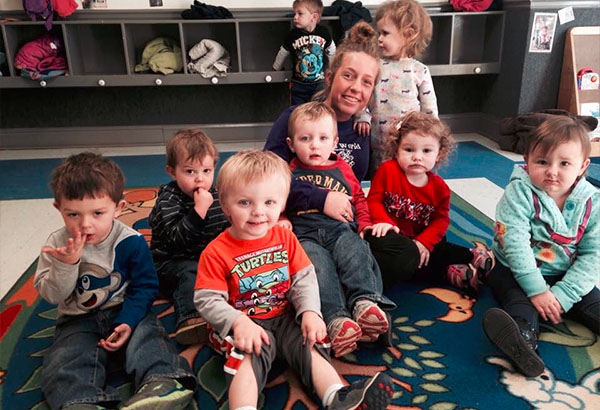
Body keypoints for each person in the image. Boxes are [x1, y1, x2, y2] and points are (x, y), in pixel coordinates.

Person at [193, 150, 395, 410]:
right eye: (245, 203)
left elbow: (304, 278)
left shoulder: (286, 238)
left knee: (310, 345)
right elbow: (207, 299)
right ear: (224, 205)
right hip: (246, 324)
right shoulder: (216, 251)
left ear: (282, 203)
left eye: (269, 203)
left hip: (286, 316)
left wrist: (310, 312)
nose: (258, 212)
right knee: (246, 359)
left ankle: (337, 396)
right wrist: (238, 322)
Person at [34, 153, 196, 410]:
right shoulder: (56, 245)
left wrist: (128, 321)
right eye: (73, 214)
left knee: (149, 337)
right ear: (58, 208)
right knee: (65, 357)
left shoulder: (130, 241)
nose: (85, 224)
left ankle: (164, 382)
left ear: (119, 208)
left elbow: (145, 287)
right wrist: (66, 265)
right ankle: (79, 401)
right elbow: (53, 296)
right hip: (77, 319)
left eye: (98, 213)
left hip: (126, 309)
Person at [482, 117, 599, 377]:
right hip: (514, 269)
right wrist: (537, 291)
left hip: (565, 272)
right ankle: (523, 341)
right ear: (527, 160)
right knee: (520, 304)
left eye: (564, 163)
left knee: (593, 302)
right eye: (542, 162)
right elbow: (515, 245)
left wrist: (563, 295)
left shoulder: (592, 202)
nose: (552, 171)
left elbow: (594, 255)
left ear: (582, 166)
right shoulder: (519, 193)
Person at [285, 101, 396, 357]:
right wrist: (281, 218)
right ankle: (336, 320)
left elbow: (358, 198)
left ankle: (364, 302)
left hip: (340, 229)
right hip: (305, 235)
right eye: (305, 138)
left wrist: (365, 224)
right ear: (291, 144)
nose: (315, 145)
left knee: (356, 252)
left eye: (322, 138)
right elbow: (277, 197)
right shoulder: (288, 171)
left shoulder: (342, 168)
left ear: (334, 142)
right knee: (316, 267)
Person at [266, 21, 380, 226]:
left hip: (346, 227)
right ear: (329, 77)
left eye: (366, 82)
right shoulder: (295, 117)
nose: (356, 88)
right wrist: (322, 198)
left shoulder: (365, 129)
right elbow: (266, 178)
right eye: (348, 76)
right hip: (300, 226)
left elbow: (363, 193)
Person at [365, 112, 494, 292]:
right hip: (391, 237)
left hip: (420, 238)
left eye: (426, 151)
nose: (417, 157)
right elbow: (373, 200)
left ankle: (471, 256)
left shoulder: (440, 188)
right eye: (409, 150)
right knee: (400, 260)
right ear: (396, 149)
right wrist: (383, 221)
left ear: (439, 154)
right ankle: (447, 273)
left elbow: (440, 221)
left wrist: (424, 242)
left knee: (438, 247)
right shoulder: (387, 171)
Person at [148, 129, 229, 345]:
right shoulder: (169, 199)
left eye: (206, 170)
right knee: (189, 272)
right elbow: (177, 239)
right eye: (190, 171)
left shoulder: (216, 194)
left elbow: (225, 228)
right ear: (172, 172)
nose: (200, 179)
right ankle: (191, 319)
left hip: (205, 257)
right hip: (170, 262)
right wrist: (198, 212)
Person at [355, 0, 439, 174]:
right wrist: (362, 115)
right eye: (379, 33)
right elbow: (364, 94)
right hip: (378, 143)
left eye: (385, 33)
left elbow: (429, 110)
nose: (379, 39)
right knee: (380, 180)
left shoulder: (419, 70)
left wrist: (432, 137)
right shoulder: (375, 65)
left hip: (409, 145)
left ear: (408, 35)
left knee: (407, 181)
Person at [272, 0, 336, 105]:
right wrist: (276, 68)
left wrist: (333, 69)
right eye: (295, 13)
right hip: (298, 84)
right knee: (297, 112)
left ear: (314, 17)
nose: (295, 17)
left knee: (319, 111)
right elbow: (283, 52)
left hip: (319, 83)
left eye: (300, 13)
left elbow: (332, 50)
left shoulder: (324, 32)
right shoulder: (292, 35)